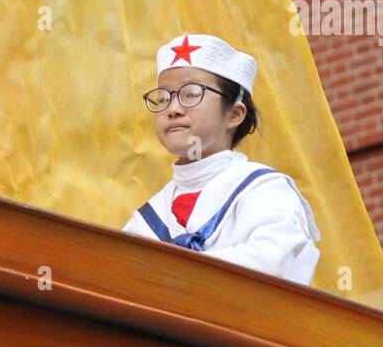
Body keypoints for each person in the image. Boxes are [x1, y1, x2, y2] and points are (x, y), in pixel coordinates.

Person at [122, 33, 321, 284]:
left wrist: (172, 276)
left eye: (191, 94)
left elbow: (273, 264)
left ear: (235, 115)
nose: (172, 109)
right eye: (163, 97)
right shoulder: (146, 219)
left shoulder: (263, 189)